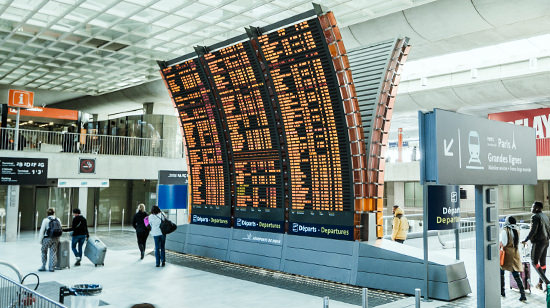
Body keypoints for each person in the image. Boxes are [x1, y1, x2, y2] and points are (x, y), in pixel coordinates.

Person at [522, 201, 550, 290]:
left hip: (538, 242)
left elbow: (533, 230)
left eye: (533, 207)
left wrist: (525, 239)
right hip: (546, 241)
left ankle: (547, 282)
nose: (531, 208)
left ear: (537, 208)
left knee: (534, 262)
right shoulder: (545, 216)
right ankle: (540, 284)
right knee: (543, 263)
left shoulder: (535, 216)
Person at [500, 216, 527, 301]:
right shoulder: (516, 230)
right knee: (515, 273)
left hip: (507, 253)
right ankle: (523, 294)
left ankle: (502, 291)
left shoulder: (505, 231)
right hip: (515, 252)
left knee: (501, 271)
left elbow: (503, 243)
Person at [38, 208, 62, 272]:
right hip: (56, 238)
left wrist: (40, 240)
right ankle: (51, 267)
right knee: (53, 252)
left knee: (44, 251)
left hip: (47, 238)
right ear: (54, 213)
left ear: (47, 213)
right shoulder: (58, 219)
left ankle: (43, 266)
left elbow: (42, 231)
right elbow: (60, 229)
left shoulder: (45, 220)